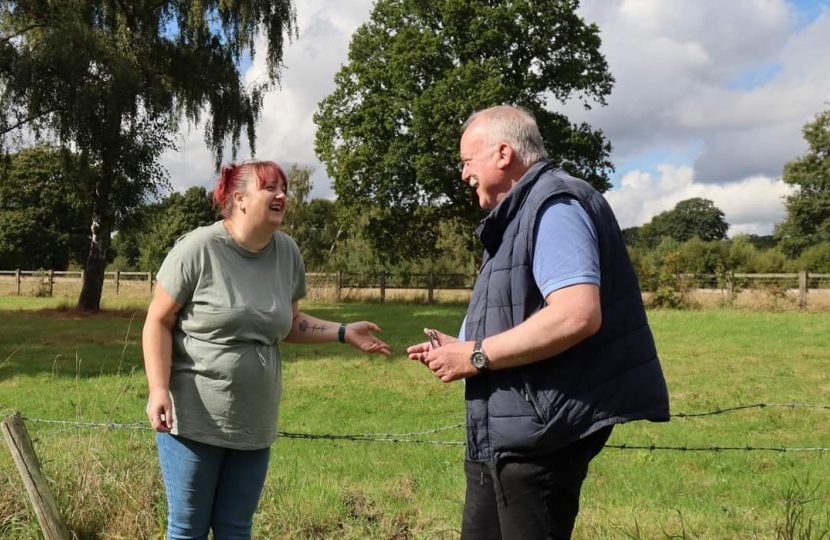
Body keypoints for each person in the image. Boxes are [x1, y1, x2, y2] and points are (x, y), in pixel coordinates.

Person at [407, 105, 670, 540]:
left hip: (541, 438)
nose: (463, 175)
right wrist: (461, 345)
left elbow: (576, 313)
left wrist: (475, 354)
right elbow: (523, 315)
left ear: (503, 154)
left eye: (467, 162)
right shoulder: (517, 216)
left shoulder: (555, 205)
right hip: (507, 434)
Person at [142, 159, 391, 540]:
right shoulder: (199, 248)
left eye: (284, 190)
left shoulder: (287, 252)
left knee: (236, 529)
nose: (281, 196)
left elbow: (289, 323)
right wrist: (159, 390)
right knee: (187, 529)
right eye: (270, 188)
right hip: (193, 418)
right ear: (239, 198)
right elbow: (157, 321)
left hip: (254, 423)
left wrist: (344, 332)